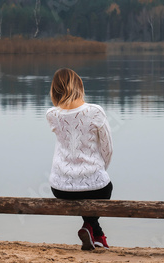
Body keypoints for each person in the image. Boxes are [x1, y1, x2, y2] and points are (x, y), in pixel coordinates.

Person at [46, 68, 113, 251]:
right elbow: (108, 149)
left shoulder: (52, 115)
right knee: (102, 188)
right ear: (79, 86)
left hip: (60, 188)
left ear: (54, 90)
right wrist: (98, 170)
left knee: (82, 193)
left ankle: (96, 234)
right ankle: (93, 230)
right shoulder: (95, 111)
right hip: (96, 187)